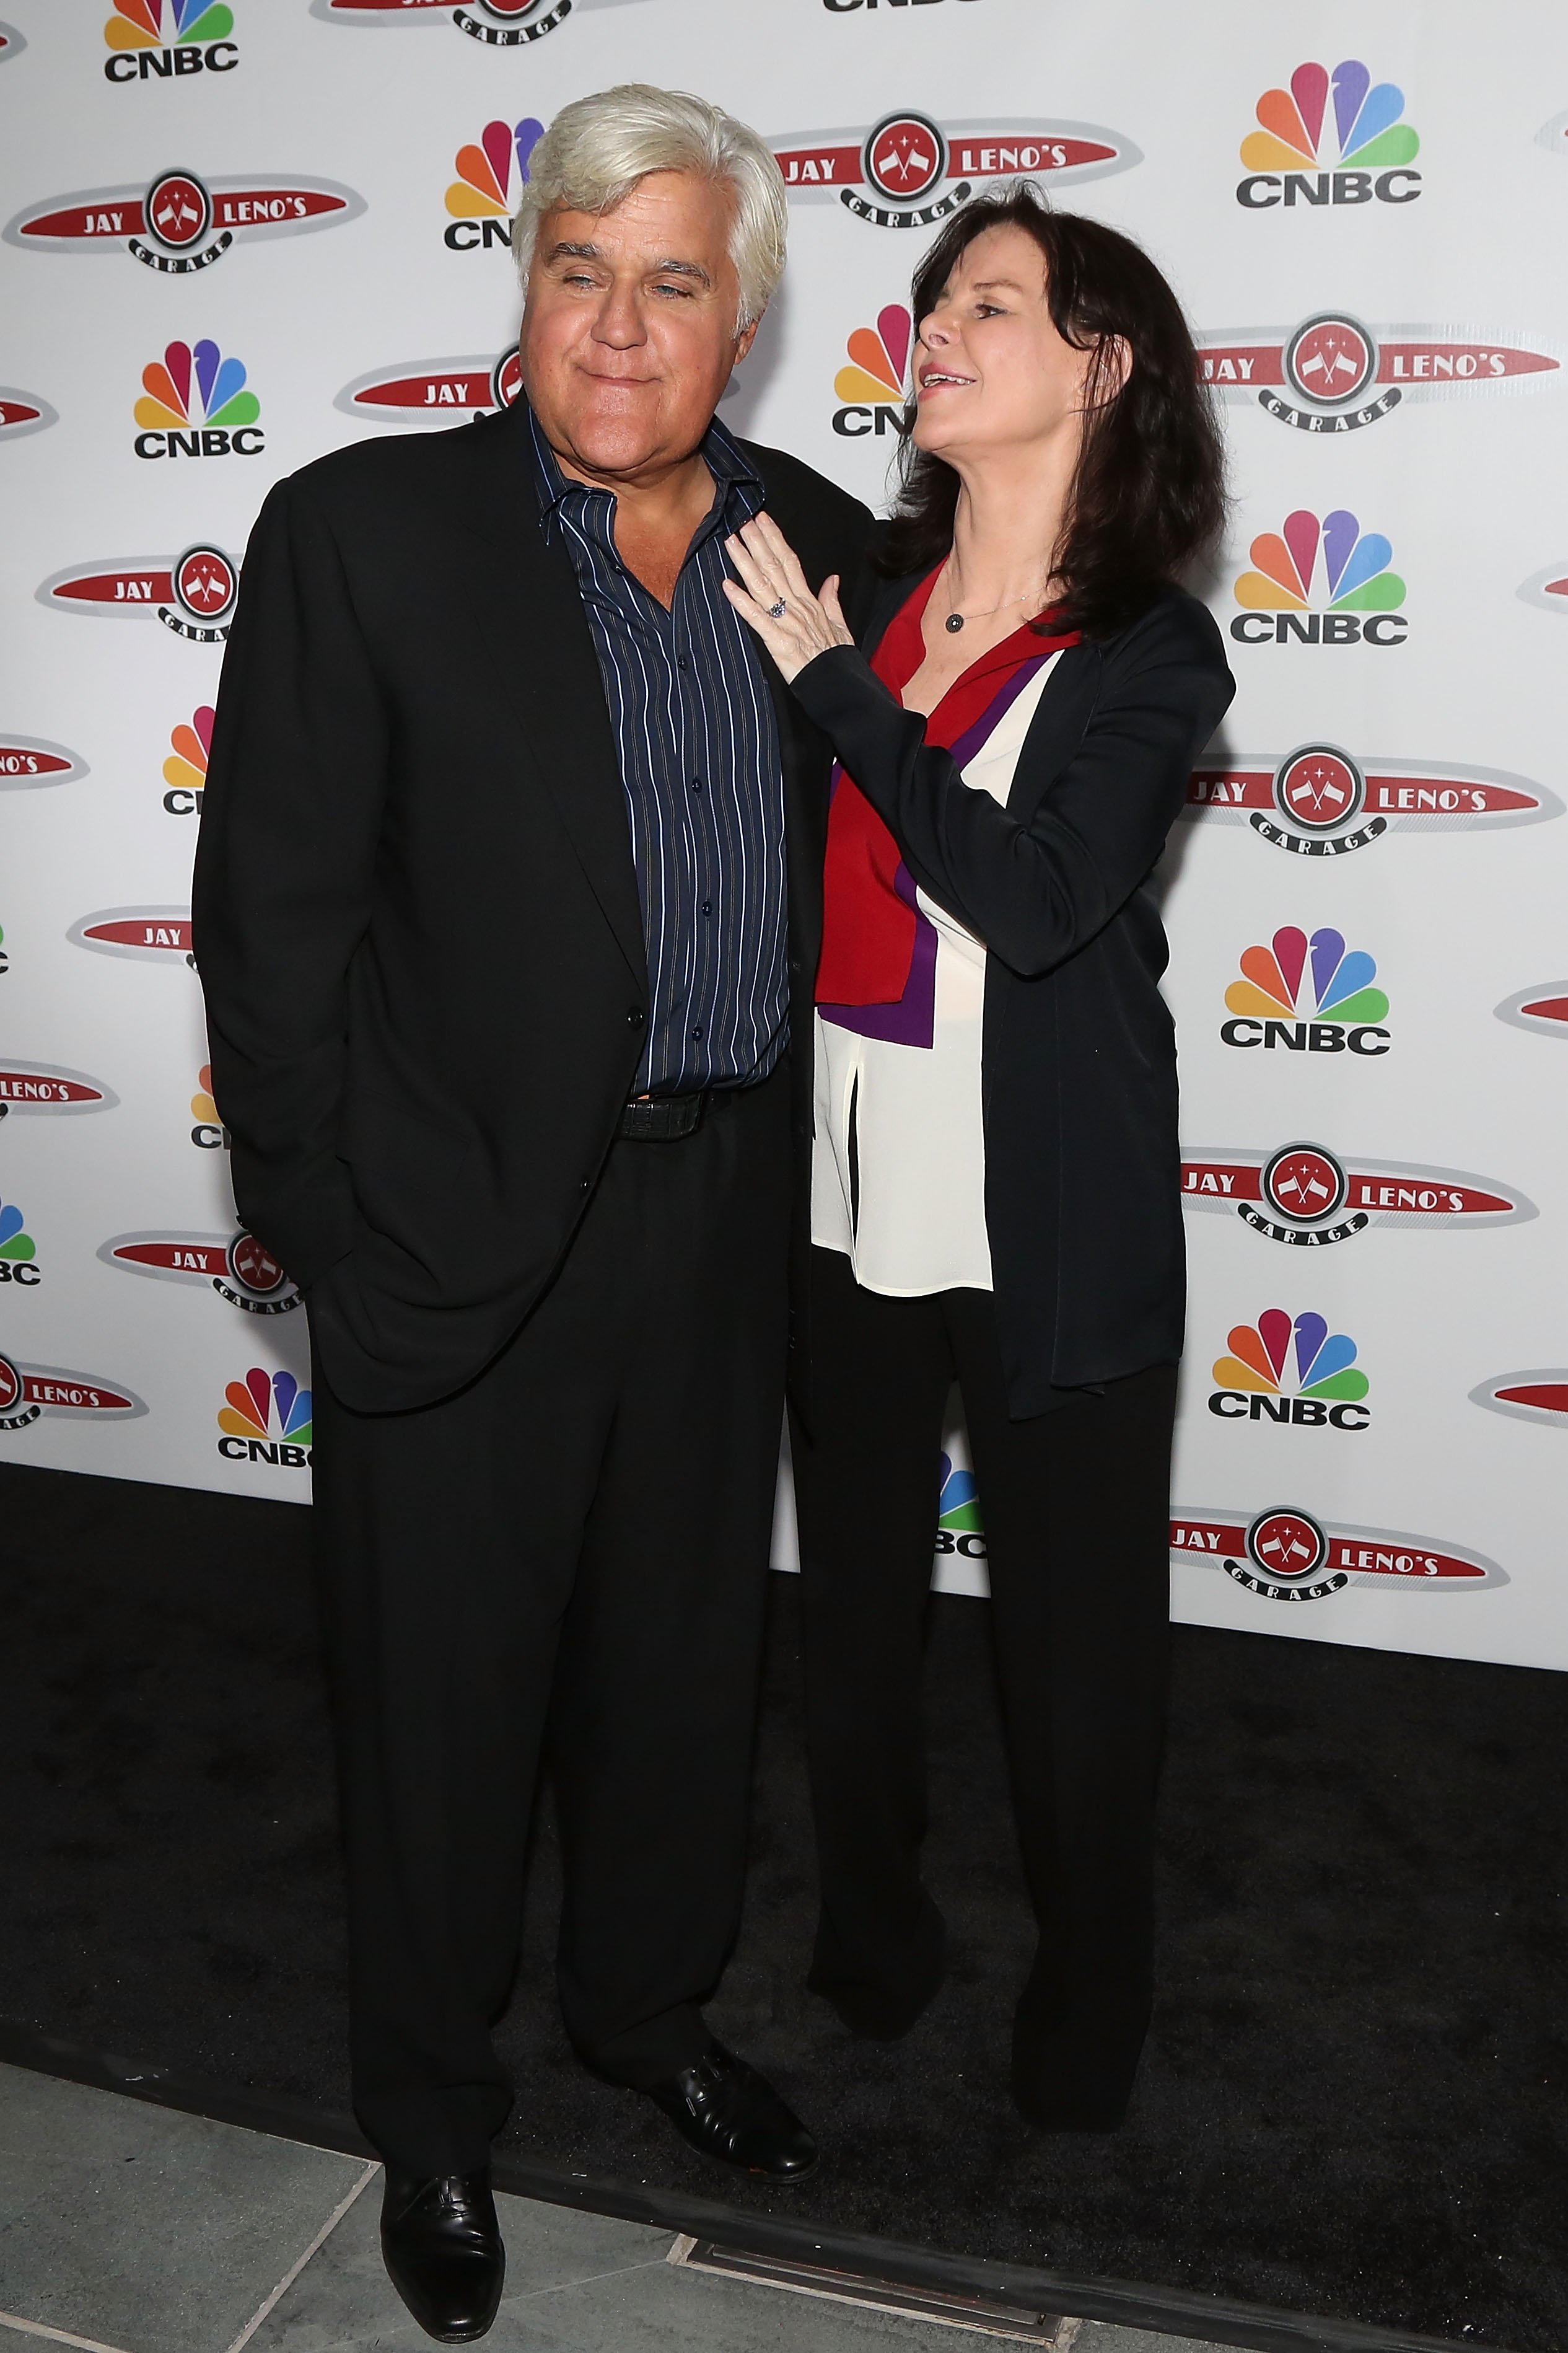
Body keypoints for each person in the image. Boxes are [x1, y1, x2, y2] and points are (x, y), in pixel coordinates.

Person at [193, 85, 870, 2344]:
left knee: (682, 1672)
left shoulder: (817, 540)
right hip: (457, 1236)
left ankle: (642, 2010)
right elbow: (267, 923)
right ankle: (434, 2110)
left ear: (742, 315)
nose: (616, 322)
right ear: (525, 286)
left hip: (725, 1215)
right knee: (442, 1700)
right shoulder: (361, 532)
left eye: (671, 278)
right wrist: (321, 1220)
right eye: (577, 269)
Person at [723, 183, 1233, 2136]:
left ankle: (1092, 1981)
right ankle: (872, 1937)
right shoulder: (853, 577)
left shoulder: (1150, 653)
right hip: (837, 1196)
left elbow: (1032, 899)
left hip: (1050, 1213)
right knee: (847, 1614)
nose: (933, 327)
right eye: (931, 299)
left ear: (1101, 369)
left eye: (989, 304)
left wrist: (836, 694)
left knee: (1072, 1651)